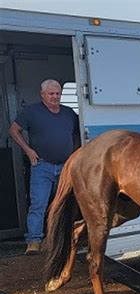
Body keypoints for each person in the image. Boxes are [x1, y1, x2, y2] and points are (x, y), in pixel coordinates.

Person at [9, 79, 79, 254]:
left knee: (64, 203)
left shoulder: (69, 113)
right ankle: (33, 241)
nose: (55, 97)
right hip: (42, 166)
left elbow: (79, 133)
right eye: (51, 94)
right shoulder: (31, 112)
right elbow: (13, 130)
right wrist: (28, 151)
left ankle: (62, 238)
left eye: (57, 93)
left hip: (65, 167)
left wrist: (76, 155)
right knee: (38, 204)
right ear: (42, 95)